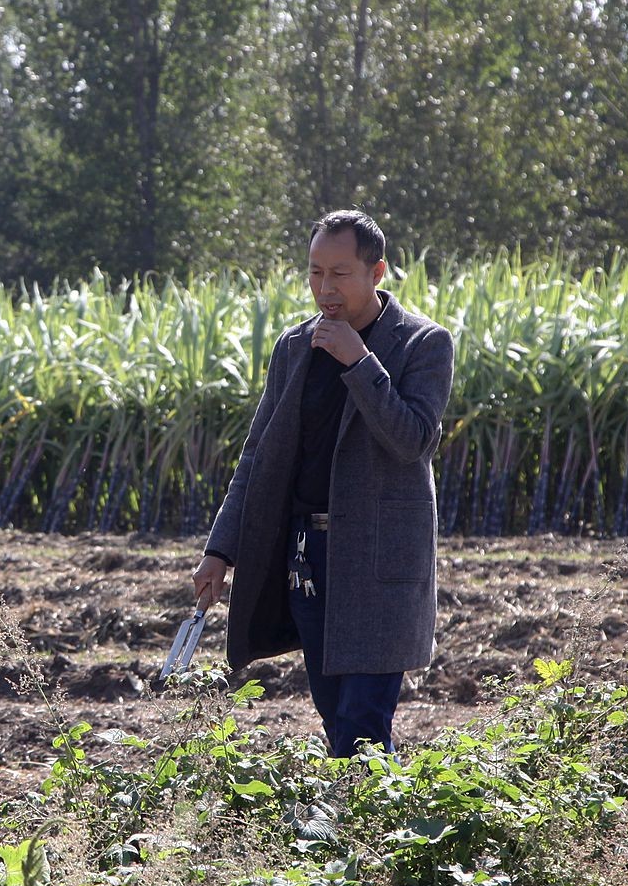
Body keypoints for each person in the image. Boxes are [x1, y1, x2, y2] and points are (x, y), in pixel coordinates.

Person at [192, 211, 455, 757]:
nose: (325, 288)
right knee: (336, 715)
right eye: (315, 273)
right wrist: (221, 549)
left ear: (377, 271)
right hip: (308, 558)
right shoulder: (295, 348)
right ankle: (359, 829)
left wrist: (359, 361)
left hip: (380, 563)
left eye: (340, 273)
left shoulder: (423, 345)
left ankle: (361, 833)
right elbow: (257, 454)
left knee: (362, 723)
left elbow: (412, 440)